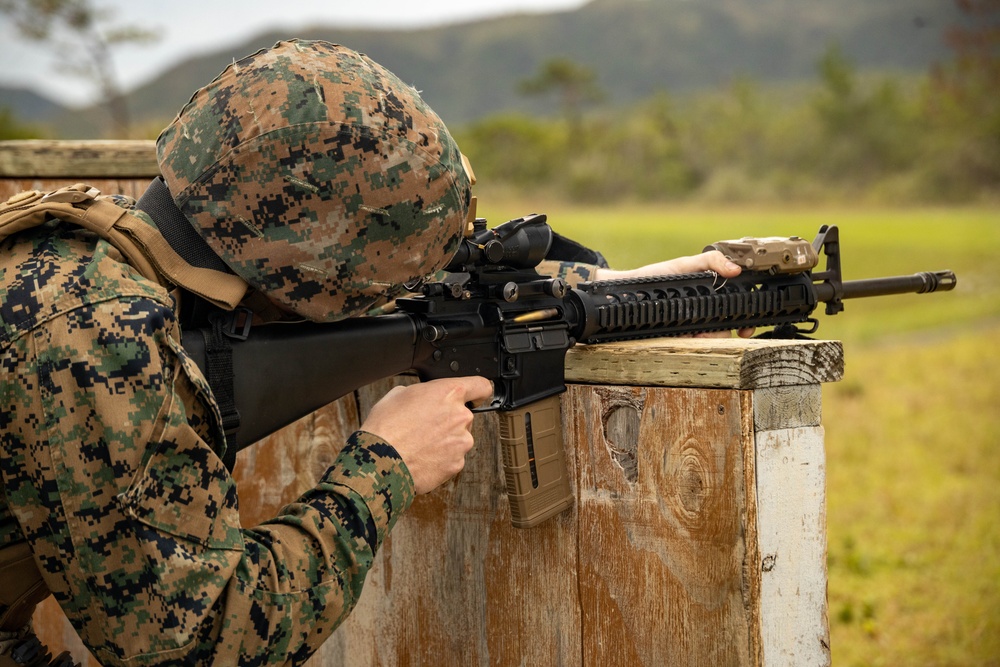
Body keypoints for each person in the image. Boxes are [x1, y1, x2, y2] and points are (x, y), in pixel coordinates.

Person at [0, 40, 748, 666]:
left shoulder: (106, 257)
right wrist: (384, 465)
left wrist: (618, 291)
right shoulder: (99, 338)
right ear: (302, 267)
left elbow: (431, 292)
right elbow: (195, 642)